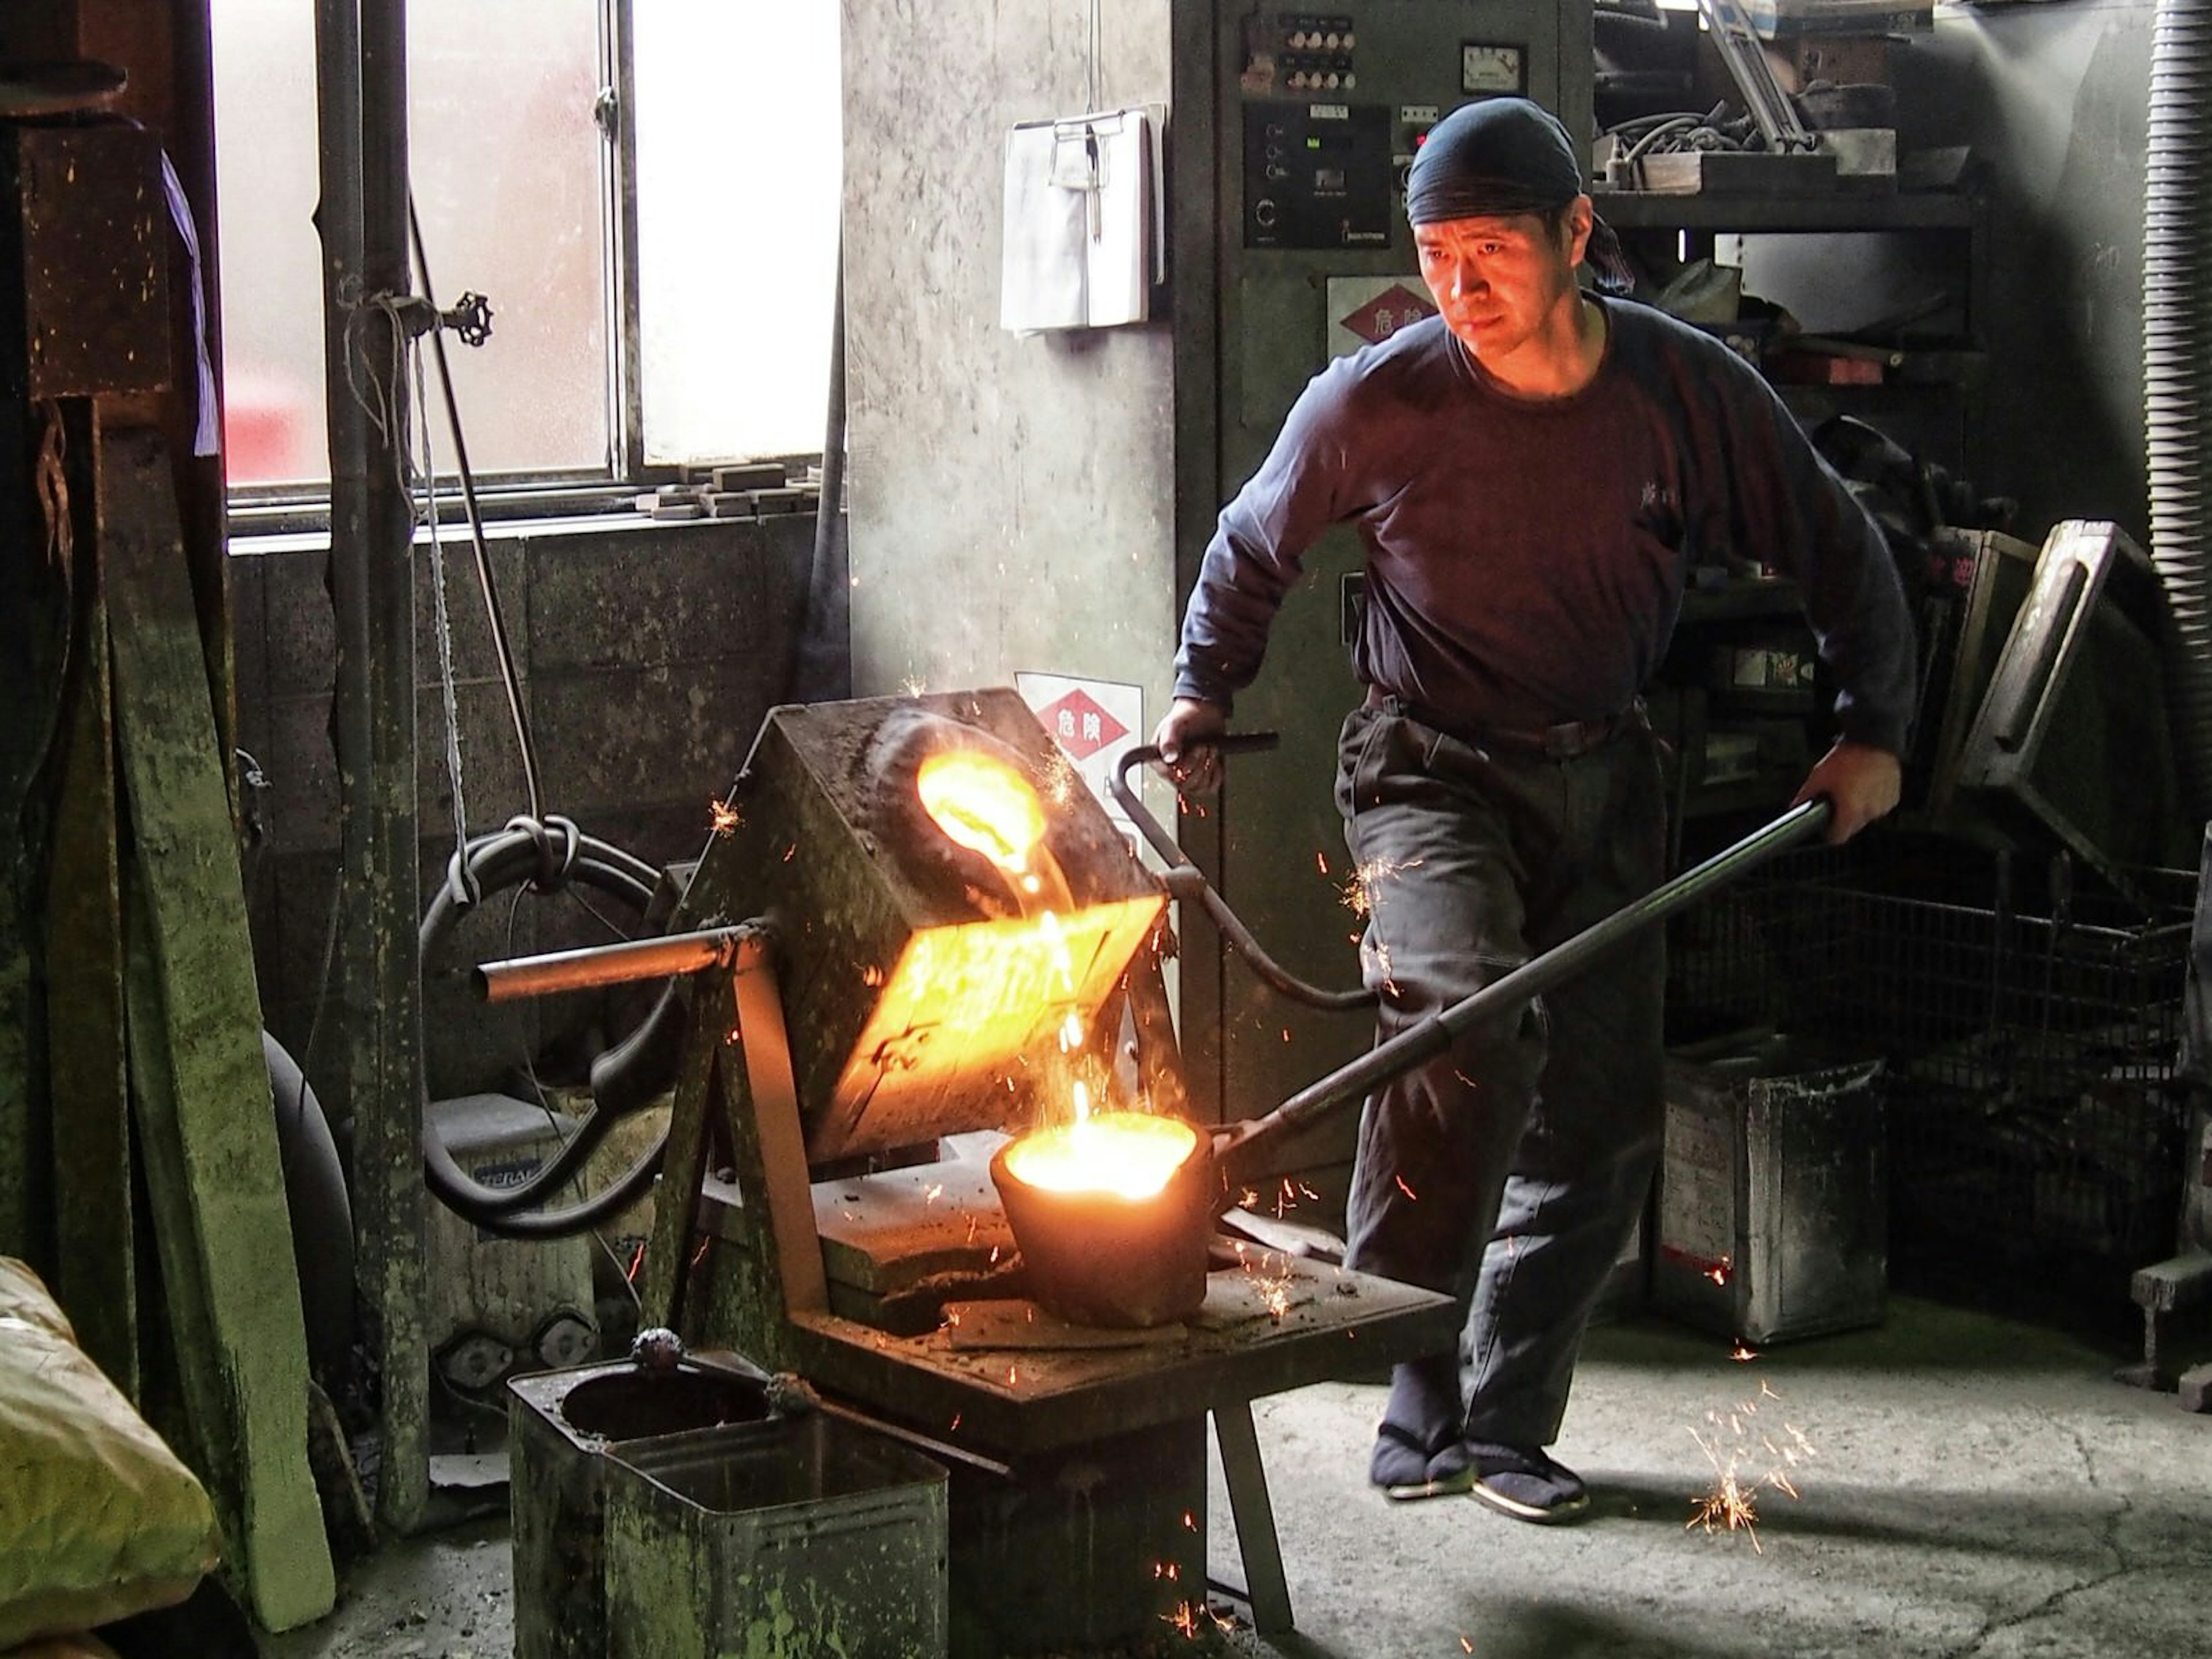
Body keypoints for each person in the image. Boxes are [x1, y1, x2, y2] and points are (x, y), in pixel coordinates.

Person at [1153, 97, 1916, 1524]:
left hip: (1608, 773)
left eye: (1492, 249)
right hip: (1424, 770)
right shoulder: (1379, 398)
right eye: (1438, 254)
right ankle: (1417, 1391)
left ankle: (1509, 1419)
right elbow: (1252, 545)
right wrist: (1201, 691)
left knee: (1609, 1113)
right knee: (1461, 1026)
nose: (1461, 287)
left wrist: (1873, 730)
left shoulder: (1686, 393)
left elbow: (1838, 546)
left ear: (1578, 235)